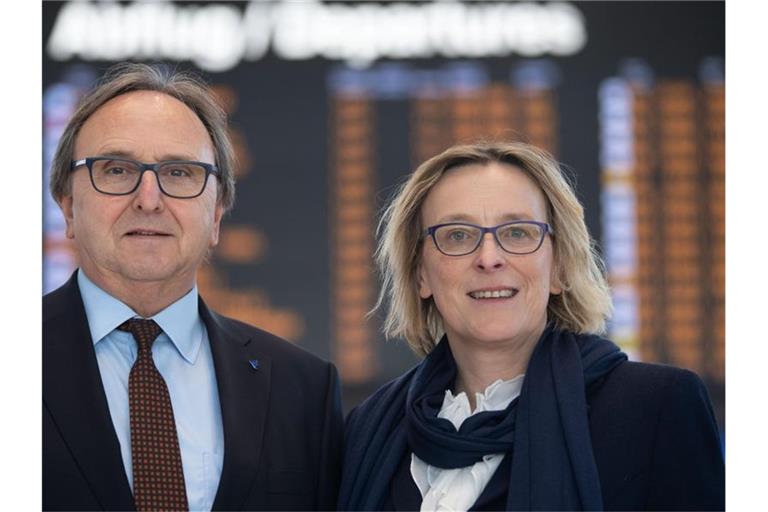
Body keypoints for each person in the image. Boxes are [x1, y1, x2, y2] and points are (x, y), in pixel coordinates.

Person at [338, 141, 724, 511]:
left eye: (518, 232)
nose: (489, 258)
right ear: (420, 273)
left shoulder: (656, 406)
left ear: (557, 266)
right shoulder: (369, 428)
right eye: (457, 235)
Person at [43, 63, 342, 511]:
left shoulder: (302, 390)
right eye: (117, 170)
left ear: (217, 214)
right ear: (68, 206)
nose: (148, 199)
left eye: (180, 173)